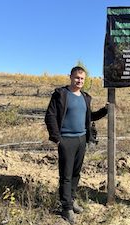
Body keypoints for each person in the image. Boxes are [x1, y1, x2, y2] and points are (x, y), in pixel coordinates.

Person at [45, 66, 108, 224]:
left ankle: (71, 200)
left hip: (81, 140)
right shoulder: (61, 94)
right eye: (77, 78)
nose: (79, 81)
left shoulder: (85, 97)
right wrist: (57, 138)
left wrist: (104, 111)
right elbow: (50, 116)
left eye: (82, 79)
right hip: (66, 140)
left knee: (76, 173)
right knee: (66, 175)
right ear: (70, 77)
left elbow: (90, 117)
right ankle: (66, 208)